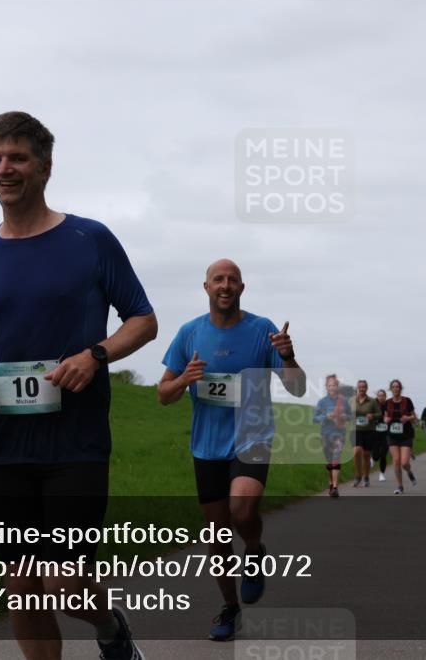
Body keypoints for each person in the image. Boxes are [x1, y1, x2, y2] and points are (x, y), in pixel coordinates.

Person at [0, 112, 157, 660]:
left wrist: (96, 355)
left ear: (45, 167)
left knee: (64, 583)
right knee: (21, 591)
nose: (3, 168)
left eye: (16, 157)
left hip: (75, 442)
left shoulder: (90, 239)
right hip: (3, 443)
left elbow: (142, 319)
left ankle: (110, 627)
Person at [157, 259, 305, 642]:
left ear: (242, 288)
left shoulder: (262, 330)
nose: (225, 285)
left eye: (232, 280)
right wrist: (184, 380)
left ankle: (254, 550)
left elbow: (298, 388)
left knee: (243, 508)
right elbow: (163, 394)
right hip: (207, 446)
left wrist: (287, 356)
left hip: (252, 438)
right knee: (218, 536)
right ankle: (229, 606)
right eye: (218, 279)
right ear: (205, 287)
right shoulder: (189, 334)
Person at [314, 374, 348, 497]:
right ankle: (331, 482)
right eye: (329, 385)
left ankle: (335, 487)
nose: (332, 387)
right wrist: (326, 416)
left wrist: (345, 416)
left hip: (339, 434)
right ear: (326, 387)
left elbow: (350, 416)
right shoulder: (322, 402)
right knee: (329, 462)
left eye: (334, 385)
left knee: (336, 459)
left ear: (337, 386)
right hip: (326, 434)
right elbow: (315, 419)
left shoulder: (343, 401)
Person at [384, 379, 417, 494]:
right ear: (391, 389)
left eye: (397, 386)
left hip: (406, 435)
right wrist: (386, 420)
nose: (395, 388)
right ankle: (400, 486)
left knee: (404, 463)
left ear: (400, 388)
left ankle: (409, 472)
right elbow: (385, 417)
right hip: (392, 435)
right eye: (393, 386)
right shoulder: (387, 402)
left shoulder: (407, 401)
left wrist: (407, 418)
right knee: (396, 460)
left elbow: (414, 417)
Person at [351, 380, 381, 487]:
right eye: (360, 387)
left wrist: (372, 416)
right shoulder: (352, 400)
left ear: (366, 388)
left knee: (367, 455)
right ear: (357, 388)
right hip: (355, 430)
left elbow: (379, 414)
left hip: (369, 430)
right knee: (356, 451)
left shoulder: (372, 401)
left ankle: (366, 477)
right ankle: (358, 475)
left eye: (363, 387)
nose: (362, 389)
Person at [373, 388, 390, 482]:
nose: (381, 397)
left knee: (383, 453)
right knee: (376, 456)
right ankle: (373, 459)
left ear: (385, 397)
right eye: (379, 396)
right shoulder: (373, 405)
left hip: (386, 433)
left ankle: (382, 474)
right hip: (375, 433)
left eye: (383, 396)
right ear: (377, 397)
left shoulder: (388, 405)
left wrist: (387, 419)